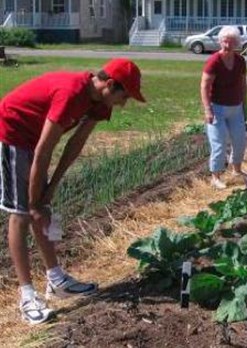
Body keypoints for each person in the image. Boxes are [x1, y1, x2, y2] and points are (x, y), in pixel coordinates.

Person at [0, 58, 146, 324]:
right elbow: (45, 149)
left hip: (36, 139)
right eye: (124, 96)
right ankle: (26, 295)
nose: (124, 103)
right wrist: (34, 203)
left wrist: (49, 192)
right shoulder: (70, 94)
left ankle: (56, 280)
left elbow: (74, 145)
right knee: (21, 213)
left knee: (42, 209)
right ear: (110, 85)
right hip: (15, 129)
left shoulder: (100, 103)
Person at [200, 25, 247, 189]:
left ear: (236, 43)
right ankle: (216, 176)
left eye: (231, 42)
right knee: (219, 143)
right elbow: (205, 86)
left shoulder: (240, 61)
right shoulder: (214, 61)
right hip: (217, 108)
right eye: (225, 42)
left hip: (236, 107)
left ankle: (237, 171)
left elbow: (243, 85)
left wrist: (244, 106)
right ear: (220, 42)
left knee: (239, 140)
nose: (228, 45)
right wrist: (208, 109)